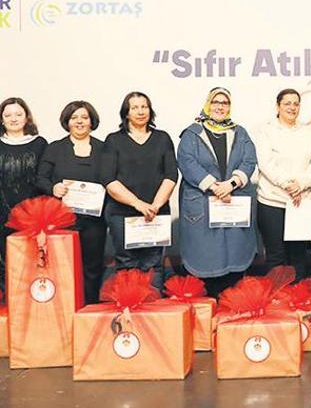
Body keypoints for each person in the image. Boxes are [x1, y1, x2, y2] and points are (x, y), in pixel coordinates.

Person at [176, 88, 258, 298]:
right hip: (203, 205)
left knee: (235, 258)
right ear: (208, 104)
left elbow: (249, 160)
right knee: (206, 257)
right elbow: (187, 162)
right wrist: (215, 187)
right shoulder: (192, 134)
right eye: (216, 102)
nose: (220, 106)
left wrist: (231, 184)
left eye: (225, 103)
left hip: (233, 201)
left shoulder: (240, 133)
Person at [100, 91, 178, 291]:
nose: (140, 111)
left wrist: (154, 206)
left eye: (144, 107)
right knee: (127, 264)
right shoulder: (113, 140)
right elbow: (108, 179)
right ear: (126, 113)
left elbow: (171, 175)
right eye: (134, 107)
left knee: (154, 265)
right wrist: (138, 204)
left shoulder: (162, 138)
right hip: (122, 214)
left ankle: (152, 306)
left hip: (156, 213)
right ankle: (130, 307)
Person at [36, 101, 107, 304]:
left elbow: (113, 179)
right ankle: (65, 307)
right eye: (74, 118)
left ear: (91, 121)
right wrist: (53, 188)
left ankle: (90, 306)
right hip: (63, 220)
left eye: (84, 117)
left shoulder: (104, 148)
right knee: (63, 266)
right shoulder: (55, 148)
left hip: (95, 220)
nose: (79, 122)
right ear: (67, 122)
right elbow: (41, 178)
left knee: (93, 266)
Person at [255, 89, 311, 281]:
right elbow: (265, 163)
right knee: (276, 255)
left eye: (296, 104)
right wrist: (287, 184)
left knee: (299, 255)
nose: (292, 107)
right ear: (278, 106)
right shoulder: (266, 131)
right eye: (287, 103)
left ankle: (298, 296)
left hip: (301, 202)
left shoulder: (307, 132)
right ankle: (279, 297)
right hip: (272, 202)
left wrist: (300, 184)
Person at [0, 97, 47, 296]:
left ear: (27, 117)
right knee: (5, 261)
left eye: (18, 114)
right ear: (1, 119)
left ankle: (32, 303)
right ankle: (9, 303)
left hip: (31, 213)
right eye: (8, 115)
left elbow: (43, 179)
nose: (13, 119)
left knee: (31, 260)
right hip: (1, 212)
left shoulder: (40, 144)